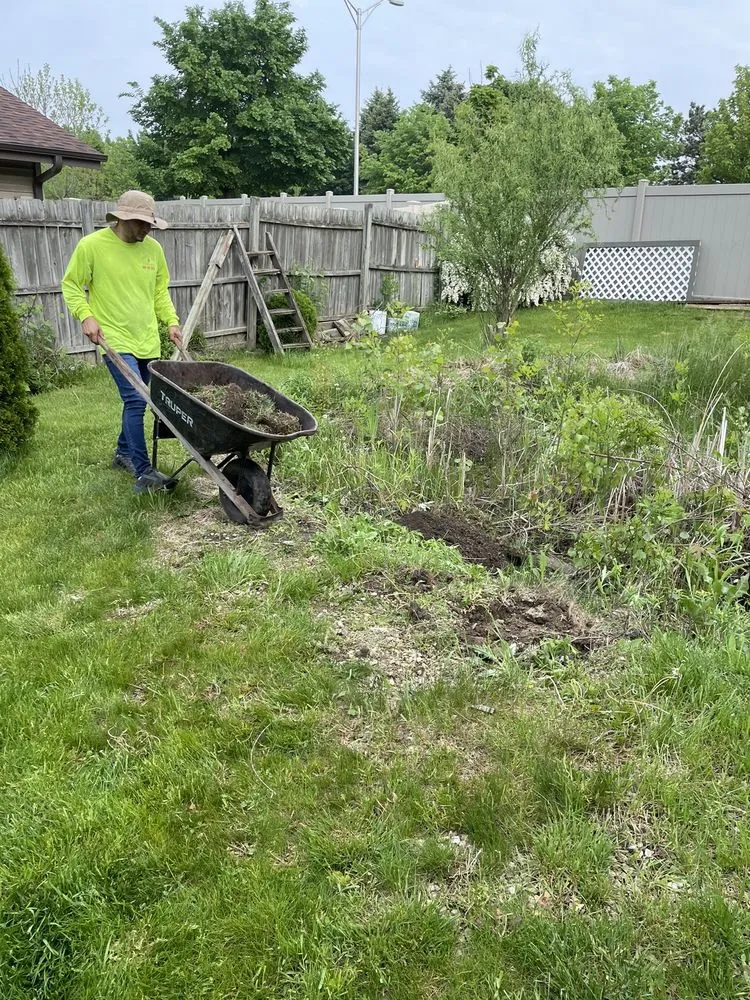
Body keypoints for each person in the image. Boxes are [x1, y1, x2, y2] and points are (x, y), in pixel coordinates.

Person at [62, 190, 184, 493]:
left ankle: (122, 453)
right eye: (142, 224)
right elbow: (72, 285)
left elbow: (160, 292)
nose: (147, 229)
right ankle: (144, 473)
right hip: (114, 338)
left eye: (150, 224)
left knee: (142, 397)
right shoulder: (92, 246)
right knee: (135, 399)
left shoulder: (153, 250)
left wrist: (171, 321)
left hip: (147, 339)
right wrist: (85, 315)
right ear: (123, 219)